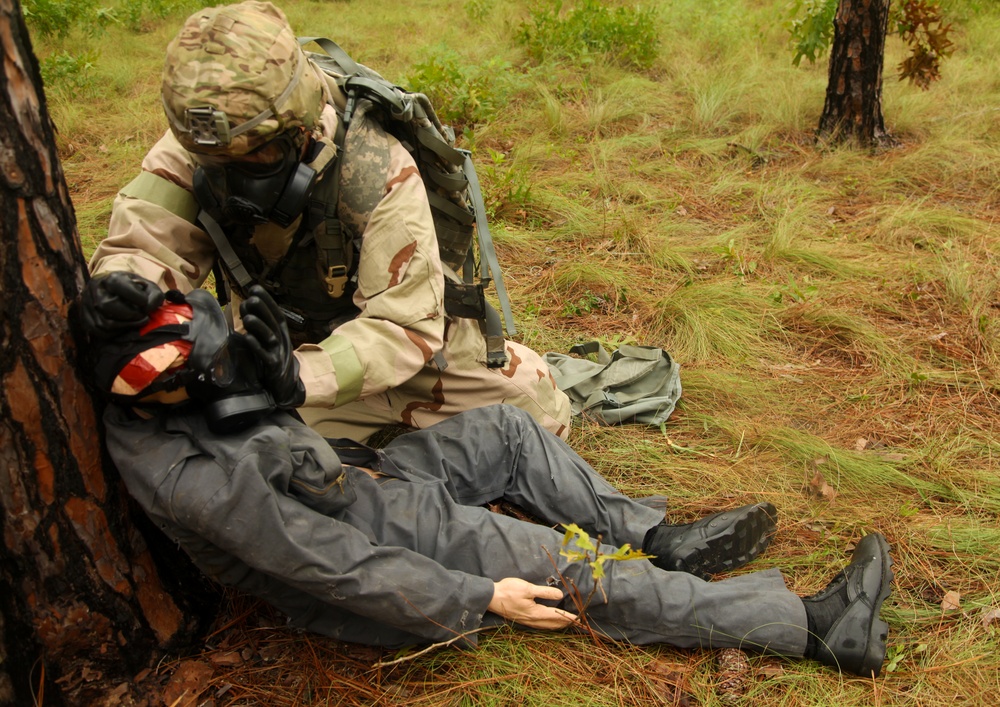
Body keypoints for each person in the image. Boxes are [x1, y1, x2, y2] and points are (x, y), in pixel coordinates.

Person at [93, 287, 895, 678]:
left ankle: (658, 537)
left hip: (361, 478)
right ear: (157, 386)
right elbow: (333, 565)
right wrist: (479, 597)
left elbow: (283, 445)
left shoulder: (161, 396)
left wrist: (273, 383)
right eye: (201, 367)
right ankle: (816, 625)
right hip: (381, 540)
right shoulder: (196, 482)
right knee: (574, 572)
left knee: (507, 430)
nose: (216, 366)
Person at [83, 0, 571, 444]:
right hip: (273, 341)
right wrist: (123, 286)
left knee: (538, 418)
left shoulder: (375, 168)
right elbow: (145, 241)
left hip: (402, 344)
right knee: (237, 443)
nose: (237, 183)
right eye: (220, 166)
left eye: (260, 159)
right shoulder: (203, 147)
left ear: (301, 129)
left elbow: (404, 327)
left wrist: (297, 378)